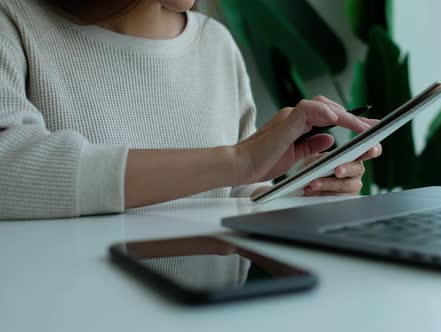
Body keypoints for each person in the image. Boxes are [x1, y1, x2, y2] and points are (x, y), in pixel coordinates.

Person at [0, 0, 381, 220]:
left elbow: (236, 195)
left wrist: (303, 197)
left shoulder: (215, 44)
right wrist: (236, 159)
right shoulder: (14, 21)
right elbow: (9, 171)